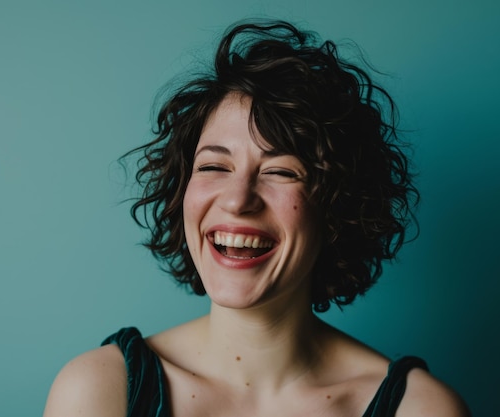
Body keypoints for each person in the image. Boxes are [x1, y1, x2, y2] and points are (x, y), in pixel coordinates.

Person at [43, 20, 469, 417]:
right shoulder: (99, 390)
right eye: (214, 167)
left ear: (338, 207)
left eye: (281, 172)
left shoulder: (420, 409)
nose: (237, 200)